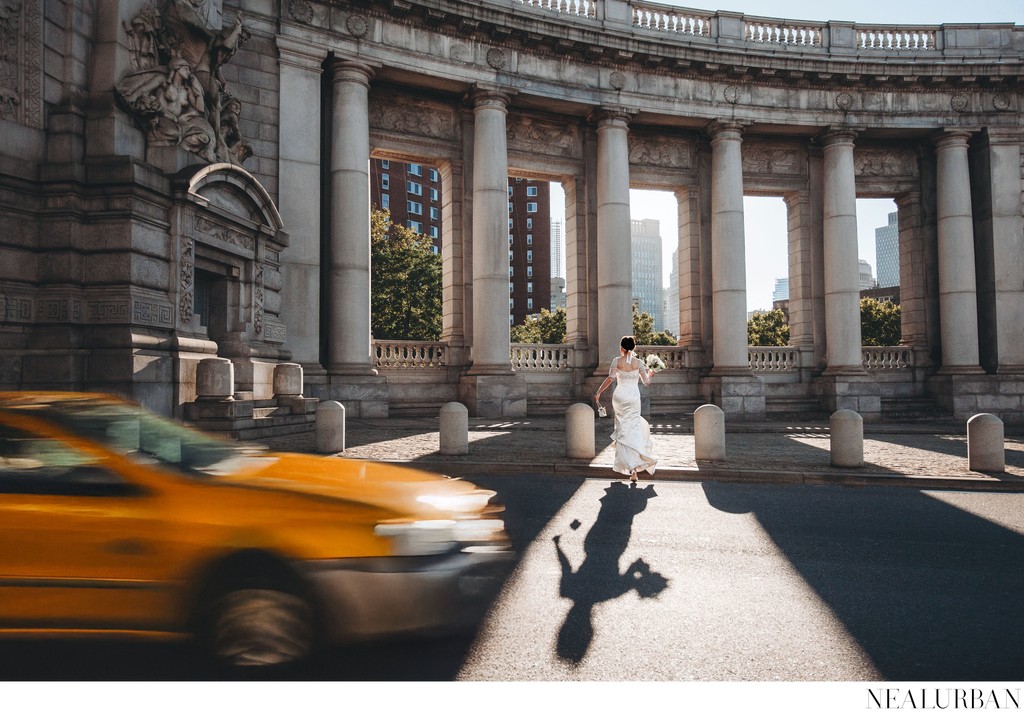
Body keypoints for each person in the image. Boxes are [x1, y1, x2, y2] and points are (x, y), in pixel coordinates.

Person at [593, 335, 657, 482]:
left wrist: (599, 392)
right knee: (633, 429)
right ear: (633, 347)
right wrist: (651, 374)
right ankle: (634, 469)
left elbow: (610, 378)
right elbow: (646, 382)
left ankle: (628, 465)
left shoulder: (617, 361)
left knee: (622, 429)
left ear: (621, 347)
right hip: (633, 398)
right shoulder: (639, 363)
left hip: (620, 397)